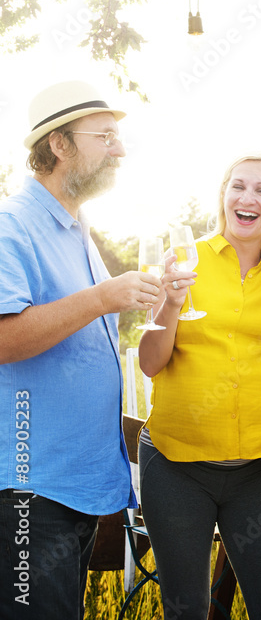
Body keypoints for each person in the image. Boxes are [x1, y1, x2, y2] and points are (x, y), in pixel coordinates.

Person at [0, 80, 156, 620]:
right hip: (30, 487)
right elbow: (3, 338)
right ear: (60, 145)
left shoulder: (75, 227)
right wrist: (102, 297)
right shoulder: (11, 225)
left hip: (75, 484)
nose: (120, 149)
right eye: (105, 136)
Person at [137, 152, 261, 620]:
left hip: (253, 470)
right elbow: (150, 363)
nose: (247, 198)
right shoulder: (182, 264)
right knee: (187, 609)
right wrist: (170, 304)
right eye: (238, 186)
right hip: (175, 466)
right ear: (224, 195)